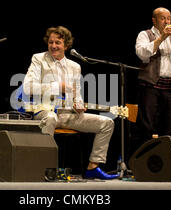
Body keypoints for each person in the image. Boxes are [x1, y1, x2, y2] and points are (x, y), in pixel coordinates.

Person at [23, 26, 118, 179]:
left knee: (107, 123)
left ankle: (93, 167)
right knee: (50, 118)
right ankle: (44, 167)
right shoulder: (39, 59)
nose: (53, 46)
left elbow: (76, 95)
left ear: (66, 46)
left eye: (58, 43)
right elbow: (28, 88)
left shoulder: (75, 67)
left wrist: (79, 105)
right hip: (44, 112)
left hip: (68, 115)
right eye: (51, 42)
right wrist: (56, 87)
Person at [133, 7, 171, 146]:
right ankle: (144, 158)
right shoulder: (145, 34)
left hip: (170, 86)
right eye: (163, 18)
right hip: (150, 85)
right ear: (154, 20)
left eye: (169, 18)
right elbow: (142, 53)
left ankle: (166, 160)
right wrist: (161, 38)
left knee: (170, 126)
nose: (167, 21)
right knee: (147, 125)